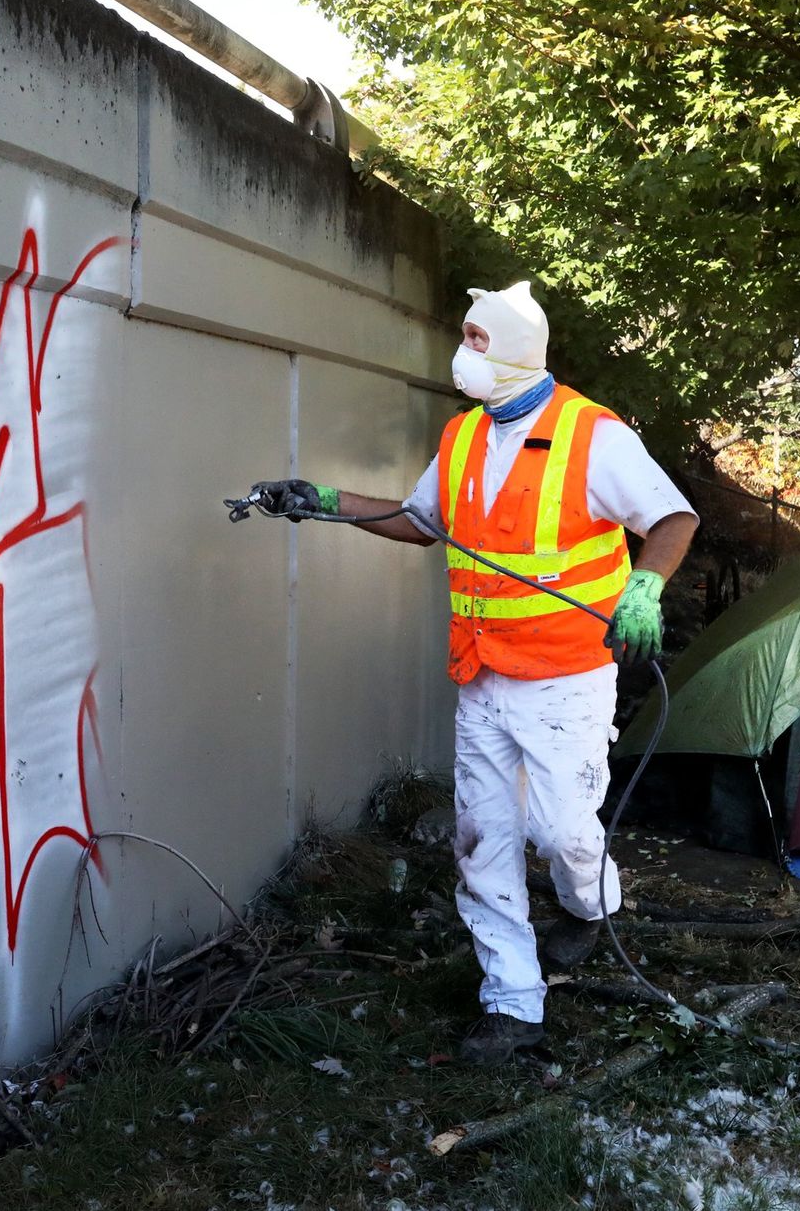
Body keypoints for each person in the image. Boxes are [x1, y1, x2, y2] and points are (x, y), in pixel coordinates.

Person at [249, 281, 697, 1064]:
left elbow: (674, 517)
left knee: (562, 831)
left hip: (566, 675)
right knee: (482, 837)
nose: (464, 354)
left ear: (519, 350)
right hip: (483, 673)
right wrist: (320, 499)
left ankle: (590, 907)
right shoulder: (461, 437)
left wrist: (647, 584)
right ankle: (513, 1003)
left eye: (477, 340)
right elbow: (419, 522)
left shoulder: (593, 435)